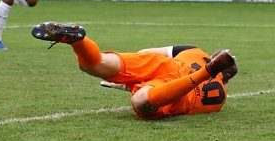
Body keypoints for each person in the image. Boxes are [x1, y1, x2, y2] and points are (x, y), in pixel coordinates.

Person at [30, 21, 237, 120]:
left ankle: (79, 41)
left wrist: (132, 73)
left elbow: (147, 51)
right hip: (176, 91)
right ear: (226, 78)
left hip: (162, 64)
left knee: (93, 64)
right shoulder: (220, 97)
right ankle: (205, 73)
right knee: (141, 101)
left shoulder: (195, 51)